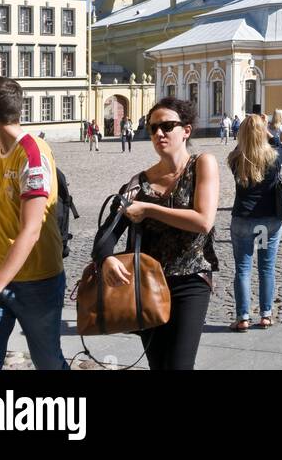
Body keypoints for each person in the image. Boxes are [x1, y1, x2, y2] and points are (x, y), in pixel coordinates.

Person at [94, 97, 219, 370]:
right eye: (153, 128)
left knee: (178, 365)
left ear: (186, 130)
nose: (159, 133)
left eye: (167, 126)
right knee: (159, 365)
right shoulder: (139, 183)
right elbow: (105, 237)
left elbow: (203, 221)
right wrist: (107, 259)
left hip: (191, 281)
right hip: (147, 285)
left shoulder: (202, 164)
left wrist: (149, 210)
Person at [0, 77, 68, 371]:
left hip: (38, 280)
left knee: (47, 361)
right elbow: (5, 211)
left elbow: (31, 230)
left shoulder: (31, 153)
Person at [227, 114, 282, 330]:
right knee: (266, 268)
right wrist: (266, 129)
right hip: (267, 222)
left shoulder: (235, 158)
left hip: (243, 219)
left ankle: (242, 317)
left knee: (243, 269)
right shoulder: (274, 157)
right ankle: (266, 315)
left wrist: (248, 132)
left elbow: (238, 148)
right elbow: (279, 143)